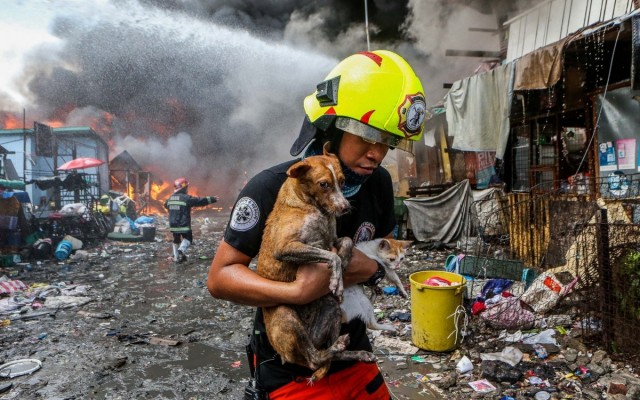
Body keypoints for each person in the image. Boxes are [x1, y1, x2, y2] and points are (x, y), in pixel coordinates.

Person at [207, 50, 427, 400]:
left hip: (353, 354)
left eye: (387, 142)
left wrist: (366, 268)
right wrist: (296, 292)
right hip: (290, 370)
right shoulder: (272, 186)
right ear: (332, 127)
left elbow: (384, 251)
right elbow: (220, 278)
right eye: (368, 136)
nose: (377, 153)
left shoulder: (380, 183)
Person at [164, 178, 218, 263]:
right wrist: (211, 199)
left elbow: (166, 205)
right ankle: (181, 250)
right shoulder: (186, 198)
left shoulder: (170, 198)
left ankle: (176, 258)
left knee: (176, 239)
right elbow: (199, 201)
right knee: (188, 239)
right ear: (184, 188)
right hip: (183, 224)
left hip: (173, 224)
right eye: (186, 187)